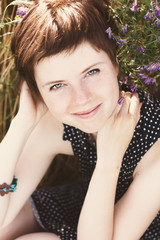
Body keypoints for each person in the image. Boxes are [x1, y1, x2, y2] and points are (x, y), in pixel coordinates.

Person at [0, 0, 160, 239]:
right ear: (38, 92)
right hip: (89, 202)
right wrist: (21, 124)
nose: (81, 98)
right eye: (57, 85)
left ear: (116, 63)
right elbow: (5, 191)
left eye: (91, 72)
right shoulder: (57, 123)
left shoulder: (155, 143)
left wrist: (109, 160)